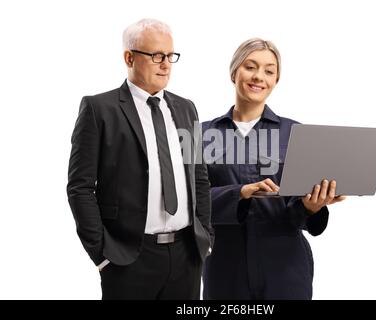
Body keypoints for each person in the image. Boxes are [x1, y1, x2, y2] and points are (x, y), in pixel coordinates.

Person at [67, 18, 212, 300]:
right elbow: (80, 187)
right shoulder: (100, 109)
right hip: (128, 258)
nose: (166, 64)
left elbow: (199, 177)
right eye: (157, 55)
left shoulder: (186, 108)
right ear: (129, 57)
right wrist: (101, 254)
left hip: (186, 255)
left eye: (170, 56)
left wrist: (205, 238)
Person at [201, 38, 346, 300]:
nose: (259, 77)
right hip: (225, 266)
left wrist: (311, 206)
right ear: (234, 72)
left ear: (276, 80)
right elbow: (192, 200)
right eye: (251, 67)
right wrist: (240, 192)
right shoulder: (202, 134)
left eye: (269, 71)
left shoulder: (295, 134)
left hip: (285, 268)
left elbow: (295, 213)